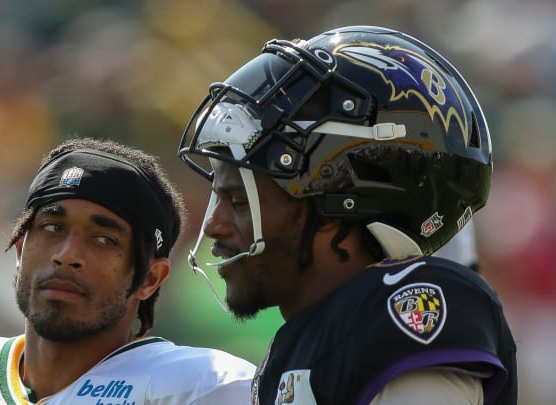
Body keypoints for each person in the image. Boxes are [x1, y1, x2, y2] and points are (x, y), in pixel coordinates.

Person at [177, 25, 516, 404]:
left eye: (239, 202)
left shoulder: (402, 305)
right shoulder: (293, 350)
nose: (212, 225)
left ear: (334, 206)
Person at [0, 137, 256, 404]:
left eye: (103, 239)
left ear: (149, 278)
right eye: (52, 228)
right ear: (20, 249)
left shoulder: (208, 388)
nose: (67, 256)